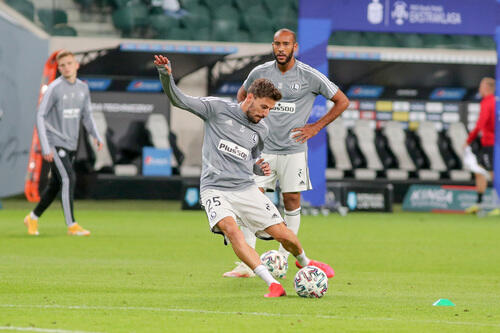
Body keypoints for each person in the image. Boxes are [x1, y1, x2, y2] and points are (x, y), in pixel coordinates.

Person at [154, 54, 334, 297]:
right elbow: (179, 100)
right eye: (264, 107)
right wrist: (166, 76)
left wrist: (259, 167)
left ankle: (303, 260)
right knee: (231, 229)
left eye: (270, 109)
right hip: (215, 189)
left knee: (282, 234)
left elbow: (250, 159)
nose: (266, 114)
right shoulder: (216, 109)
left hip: (246, 189)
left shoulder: (261, 129)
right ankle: (272, 283)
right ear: (250, 97)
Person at [224, 28, 349, 278]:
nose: (281, 48)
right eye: (277, 44)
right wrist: (247, 127)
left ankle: (282, 256)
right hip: (262, 150)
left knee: (291, 201)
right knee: (251, 200)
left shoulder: (309, 75)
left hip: (293, 150)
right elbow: (241, 97)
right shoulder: (259, 73)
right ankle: (247, 264)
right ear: (273, 46)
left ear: (295, 47)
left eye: (286, 44)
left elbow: (342, 101)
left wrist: (315, 127)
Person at [24, 50, 103, 236]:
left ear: (76, 65)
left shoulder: (83, 88)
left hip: (71, 144)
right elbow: (40, 115)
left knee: (56, 185)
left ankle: (32, 218)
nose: (66, 67)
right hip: (54, 143)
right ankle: (72, 225)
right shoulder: (54, 88)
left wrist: (96, 135)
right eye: (62, 65)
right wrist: (45, 145)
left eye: (69, 63)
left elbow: (87, 115)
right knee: (69, 178)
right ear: (59, 68)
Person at [464, 77, 496, 215]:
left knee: (493, 173)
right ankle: (479, 203)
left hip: (491, 143)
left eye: (481, 86)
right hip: (487, 143)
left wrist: (469, 140)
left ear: (487, 88)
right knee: (479, 171)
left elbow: (480, 124)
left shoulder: (488, 102)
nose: (479, 89)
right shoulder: (493, 102)